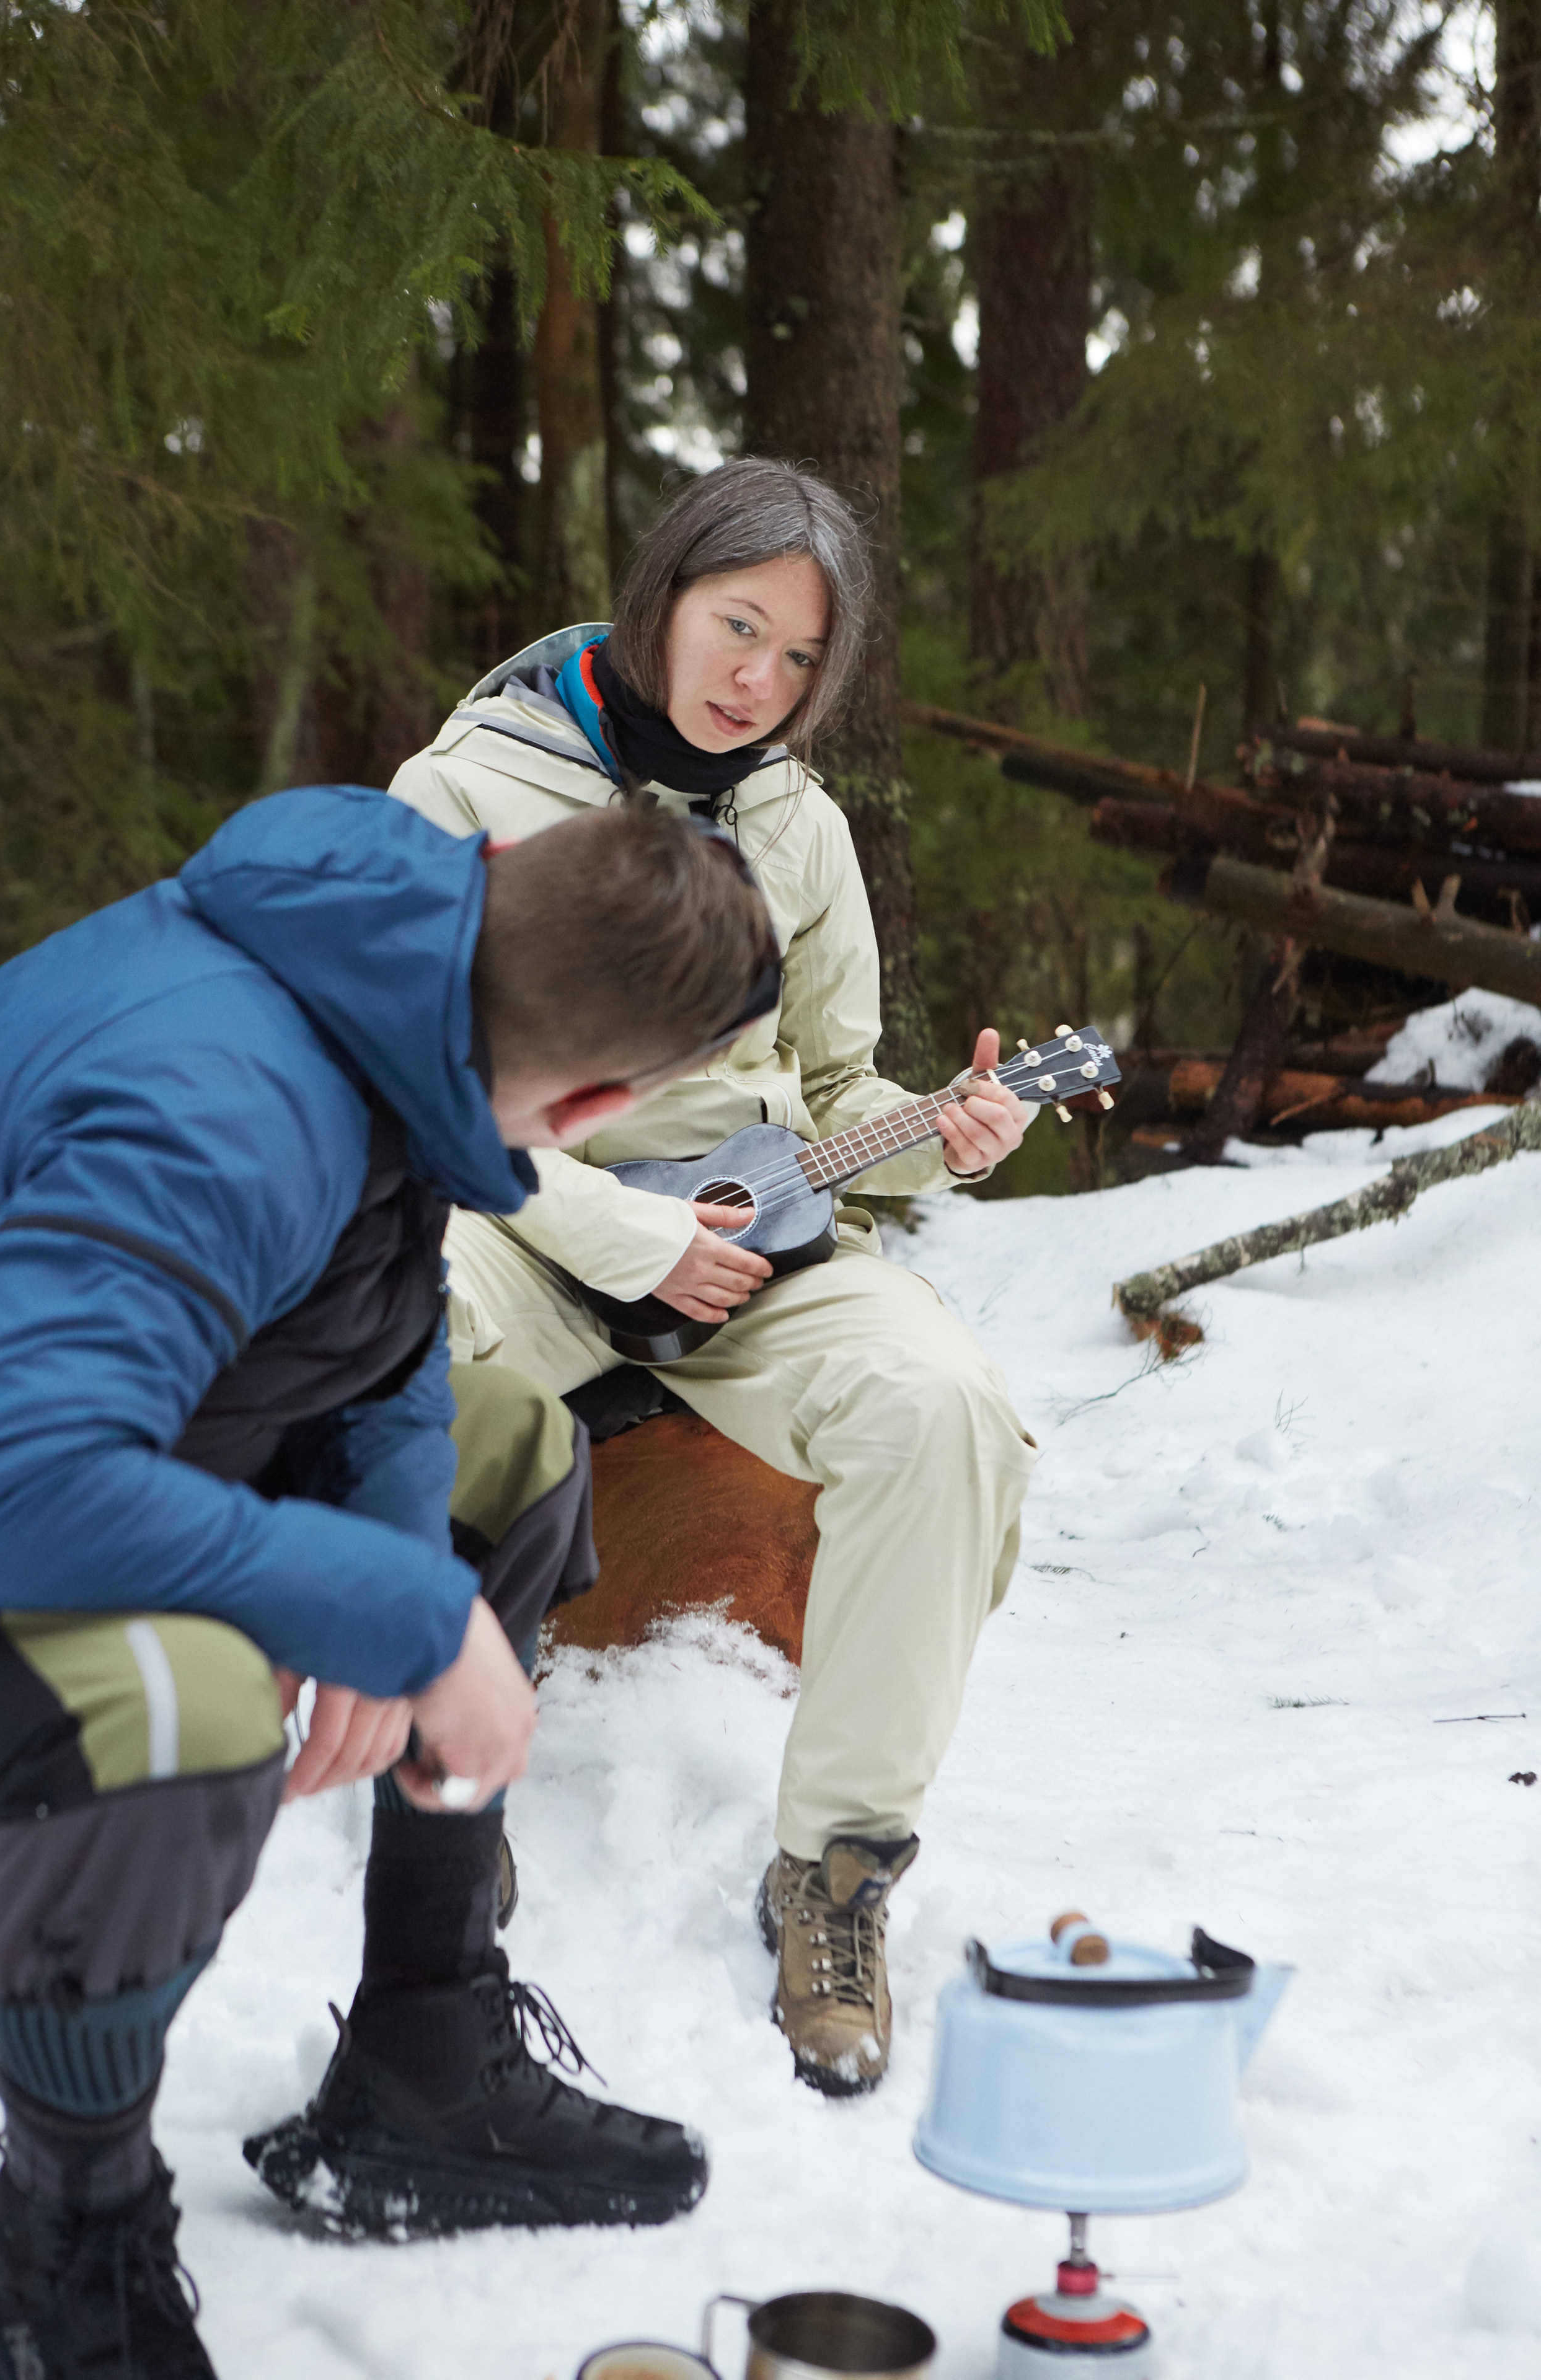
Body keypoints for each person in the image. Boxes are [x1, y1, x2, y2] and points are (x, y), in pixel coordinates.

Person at [0, 786, 777, 2376]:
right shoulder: (222, 1107)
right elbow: (7, 1480)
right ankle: (62, 2260)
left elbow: (375, 1328)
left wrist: (403, 1578)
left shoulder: (389, 970)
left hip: (40, 1442)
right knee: (190, 1696)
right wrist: (379, 1613)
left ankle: (423, 2062)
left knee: (512, 1459)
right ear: (601, 1104)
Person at [380, 457, 1041, 2100]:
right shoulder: (469, 790)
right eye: (739, 625)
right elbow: (416, 1082)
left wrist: (936, 1133)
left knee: (942, 1405)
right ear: (664, 593)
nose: (761, 679)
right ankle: (451, 1772)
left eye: (801, 657)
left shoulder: (798, 825)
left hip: (758, 1243)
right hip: (534, 1217)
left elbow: (834, 1098)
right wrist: (624, 1241)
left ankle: (834, 1872)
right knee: (414, 1316)